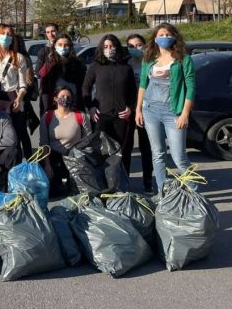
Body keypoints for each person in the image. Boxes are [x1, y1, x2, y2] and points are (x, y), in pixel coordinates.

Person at [135, 23, 196, 192]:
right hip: (150, 110)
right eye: (161, 34)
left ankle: (194, 192)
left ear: (174, 37)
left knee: (179, 157)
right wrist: (138, 109)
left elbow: (191, 87)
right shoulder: (149, 58)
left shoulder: (183, 59)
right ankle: (163, 193)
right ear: (155, 38)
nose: (164, 37)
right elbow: (142, 84)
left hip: (173, 111)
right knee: (158, 154)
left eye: (168, 34)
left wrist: (185, 113)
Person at [0, 23, 31, 156]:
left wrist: (19, 99)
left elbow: (22, 84)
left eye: (9, 34)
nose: (6, 37)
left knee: (18, 135)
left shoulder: (18, 57)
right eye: (3, 34)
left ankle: (24, 166)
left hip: (13, 101)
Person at [82, 34, 136, 149]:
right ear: (101, 48)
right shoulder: (95, 66)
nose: (109, 49)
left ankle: (122, 168)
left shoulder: (126, 68)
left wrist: (130, 108)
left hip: (121, 117)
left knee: (121, 150)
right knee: (101, 151)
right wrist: (90, 107)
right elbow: (85, 89)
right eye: (105, 46)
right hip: (100, 116)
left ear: (117, 47)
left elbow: (133, 92)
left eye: (111, 46)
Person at [40, 85, 93, 194]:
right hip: (54, 158)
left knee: (76, 191)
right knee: (52, 192)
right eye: (62, 96)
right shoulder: (47, 116)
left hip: (75, 159)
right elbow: (43, 143)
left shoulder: (81, 116)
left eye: (68, 96)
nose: (65, 99)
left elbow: (88, 142)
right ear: (55, 98)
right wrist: (47, 165)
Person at [124, 33, 153, 192]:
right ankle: (125, 181)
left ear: (145, 45)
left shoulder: (150, 63)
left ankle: (148, 182)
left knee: (146, 148)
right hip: (129, 110)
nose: (135, 48)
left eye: (138, 45)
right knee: (126, 147)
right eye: (131, 46)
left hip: (147, 111)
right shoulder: (125, 64)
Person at [38, 34, 86, 113]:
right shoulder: (49, 63)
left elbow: (82, 86)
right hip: (54, 104)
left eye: (66, 45)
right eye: (60, 45)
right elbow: (43, 84)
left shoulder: (77, 64)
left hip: (73, 103)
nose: (63, 48)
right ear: (54, 46)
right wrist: (46, 109)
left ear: (70, 47)